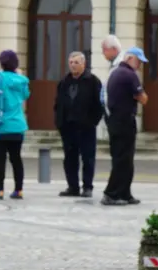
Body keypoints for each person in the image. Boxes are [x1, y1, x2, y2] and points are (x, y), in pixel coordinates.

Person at [102, 46, 149, 206]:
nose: (140, 65)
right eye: (139, 61)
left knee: (123, 159)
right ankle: (112, 193)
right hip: (124, 122)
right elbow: (143, 98)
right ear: (129, 59)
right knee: (123, 160)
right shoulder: (129, 75)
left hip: (115, 120)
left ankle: (124, 193)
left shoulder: (115, 73)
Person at [0, 50, 30, 200]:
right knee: (16, 158)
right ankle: (18, 190)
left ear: (1, 63)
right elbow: (26, 95)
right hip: (17, 125)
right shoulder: (22, 80)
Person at [54, 52, 104, 198]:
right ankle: (72, 186)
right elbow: (58, 103)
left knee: (88, 158)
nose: (73, 65)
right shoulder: (64, 82)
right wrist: (59, 122)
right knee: (70, 157)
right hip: (68, 127)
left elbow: (99, 104)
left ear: (83, 64)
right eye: (71, 62)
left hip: (86, 127)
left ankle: (87, 187)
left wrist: (92, 121)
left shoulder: (93, 81)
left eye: (76, 62)